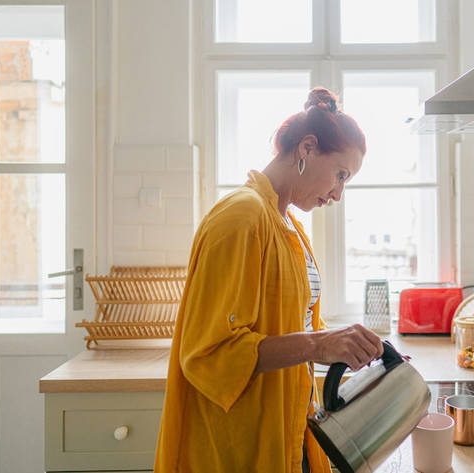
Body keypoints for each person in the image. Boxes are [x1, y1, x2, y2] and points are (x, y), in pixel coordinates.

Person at [154, 88, 384, 473]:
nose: (339, 193)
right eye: (340, 175)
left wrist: (354, 350)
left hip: (289, 429)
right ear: (307, 148)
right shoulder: (241, 217)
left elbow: (296, 327)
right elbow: (208, 353)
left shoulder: (288, 225)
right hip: (239, 444)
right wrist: (320, 343)